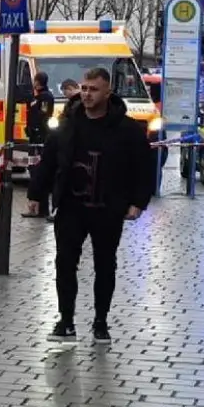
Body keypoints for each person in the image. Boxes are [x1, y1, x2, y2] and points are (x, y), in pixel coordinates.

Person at [27, 67, 154, 343]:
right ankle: (66, 321)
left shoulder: (127, 129)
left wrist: (137, 202)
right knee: (65, 264)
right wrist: (36, 194)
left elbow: (144, 168)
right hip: (71, 207)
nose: (86, 94)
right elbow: (49, 160)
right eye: (84, 88)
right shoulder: (68, 124)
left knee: (105, 266)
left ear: (108, 92)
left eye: (93, 89)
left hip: (108, 208)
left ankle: (100, 322)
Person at [21, 72, 57, 219]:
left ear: (38, 82)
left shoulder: (46, 97)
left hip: (40, 139)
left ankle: (41, 209)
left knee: (38, 172)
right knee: (34, 171)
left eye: (34, 81)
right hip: (34, 137)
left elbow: (43, 115)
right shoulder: (35, 97)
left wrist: (36, 129)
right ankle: (39, 208)